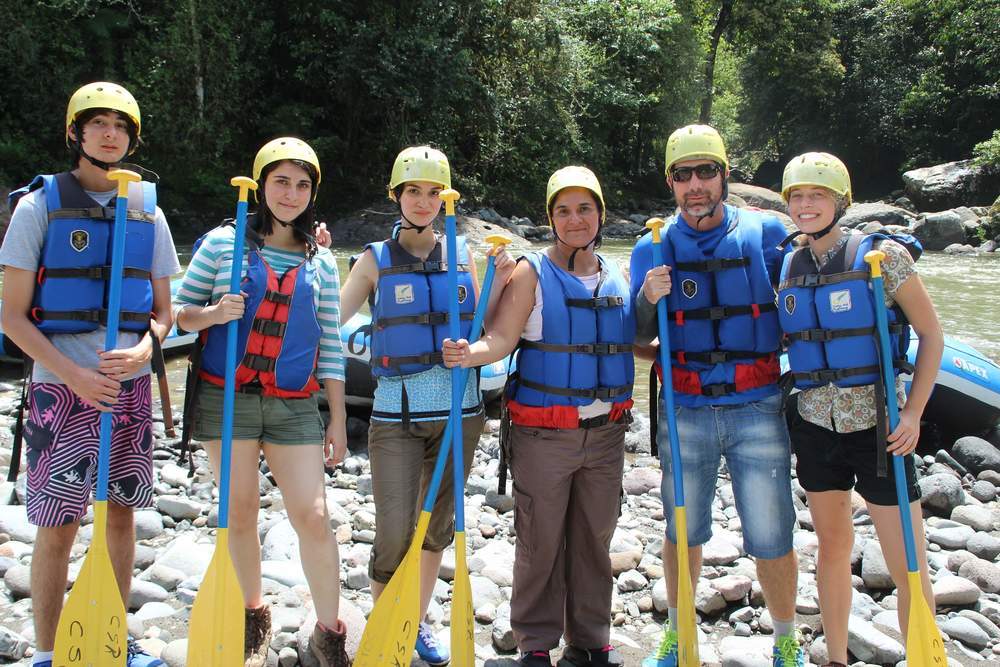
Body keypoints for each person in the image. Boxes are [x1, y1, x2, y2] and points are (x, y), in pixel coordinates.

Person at [0, 82, 179, 667]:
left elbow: (164, 313)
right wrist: (72, 376)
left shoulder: (148, 209)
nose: (110, 134)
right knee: (58, 524)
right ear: (76, 133)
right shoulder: (39, 206)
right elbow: (10, 315)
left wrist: (142, 351)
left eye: (120, 126)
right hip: (61, 387)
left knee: (122, 513)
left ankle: (109, 638)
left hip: (126, 389)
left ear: (131, 138)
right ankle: (50, 651)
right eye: (98, 123)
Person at [442, 165, 639, 667]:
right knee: (540, 540)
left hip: (605, 436)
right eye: (564, 211)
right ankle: (534, 642)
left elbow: (630, 344)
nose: (575, 220)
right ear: (551, 218)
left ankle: (590, 639)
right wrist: (470, 353)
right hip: (544, 435)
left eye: (585, 209)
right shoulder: (531, 271)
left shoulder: (617, 272)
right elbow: (502, 339)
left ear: (600, 214)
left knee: (595, 539)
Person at [630, 125, 803, 666]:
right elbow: (634, 337)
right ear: (671, 183)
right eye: (684, 175)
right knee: (683, 530)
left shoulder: (770, 233)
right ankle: (680, 636)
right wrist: (644, 298)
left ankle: (786, 640)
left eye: (707, 172)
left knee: (773, 533)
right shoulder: (650, 247)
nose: (696, 184)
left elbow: (812, 287)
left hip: (757, 404)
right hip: (685, 408)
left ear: (725, 176)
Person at [173, 137, 350, 667]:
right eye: (280, 182)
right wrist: (213, 314)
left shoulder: (320, 262)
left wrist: (337, 418)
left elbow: (331, 342)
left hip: (294, 403)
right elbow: (181, 314)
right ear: (261, 186)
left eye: (301, 185)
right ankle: (252, 613)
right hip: (226, 397)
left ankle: (329, 631)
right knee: (240, 511)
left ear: (312, 194)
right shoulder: (222, 245)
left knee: (314, 515)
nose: (291, 194)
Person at [338, 145, 511, 665]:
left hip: (460, 414)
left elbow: (482, 327)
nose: (424, 201)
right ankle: (387, 622)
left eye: (434, 192)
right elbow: (331, 316)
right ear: (396, 196)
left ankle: (414, 623)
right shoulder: (373, 259)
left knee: (436, 528)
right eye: (413, 190)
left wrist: (499, 284)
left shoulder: (459, 252)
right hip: (396, 416)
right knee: (394, 532)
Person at [777, 152, 942, 667]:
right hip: (815, 425)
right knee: (831, 545)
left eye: (817, 196)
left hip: (879, 429)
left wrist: (913, 414)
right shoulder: (788, 261)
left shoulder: (884, 256)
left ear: (839, 202)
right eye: (797, 197)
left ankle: (925, 656)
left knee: (906, 562)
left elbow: (931, 335)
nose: (806, 206)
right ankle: (835, 658)